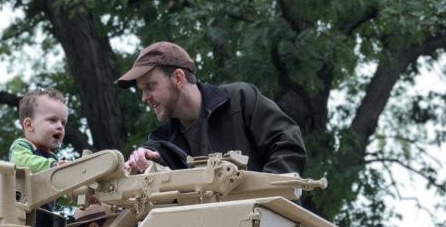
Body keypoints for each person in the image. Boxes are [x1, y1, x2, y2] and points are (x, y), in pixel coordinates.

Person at [116, 42, 306, 176]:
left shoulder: (240, 99)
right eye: (142, 90)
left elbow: (288, 144)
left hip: (265, 226)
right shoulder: (160, 144)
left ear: (178, 78)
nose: (144, 97)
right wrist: (145, 164)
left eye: (150, 86)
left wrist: (264, 199)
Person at [9, 88, 68, 172]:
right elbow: (21, 161)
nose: (60, 126)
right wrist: (52, 166)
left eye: (63, 123)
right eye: (52, 120)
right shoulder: (21, 146)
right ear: (29, 125)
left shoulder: (53, 157)